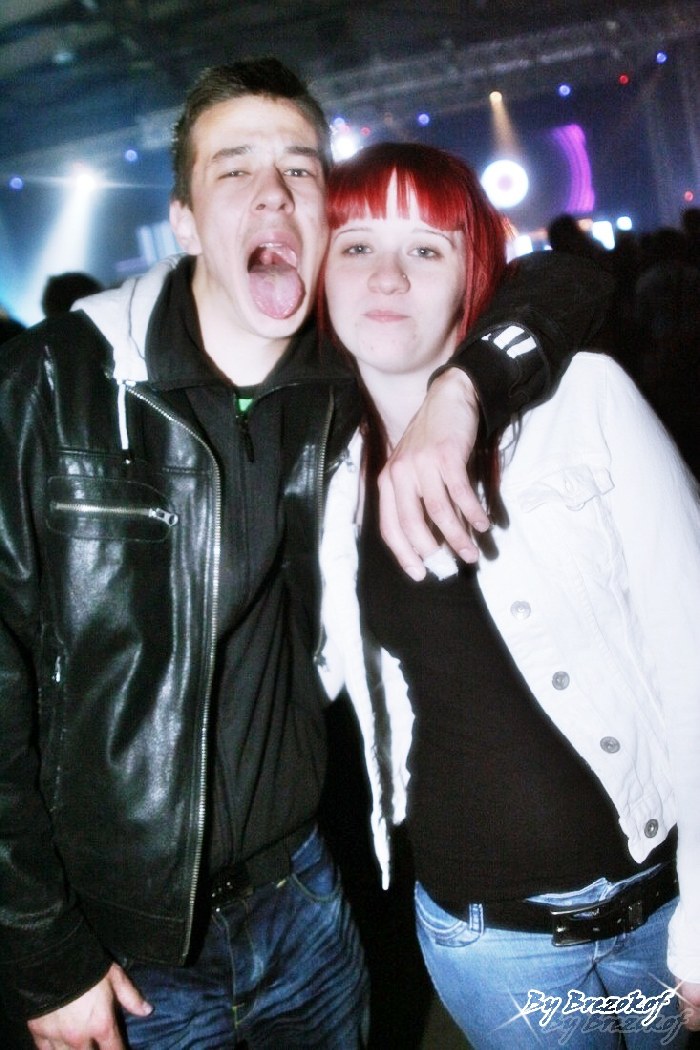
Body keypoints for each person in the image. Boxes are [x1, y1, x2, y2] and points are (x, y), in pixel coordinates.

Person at [0, 59, 611, 1050]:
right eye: (234, 168)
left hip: (306, 904)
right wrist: (42, 953)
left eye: (299, 167)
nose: (274, 192)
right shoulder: (56, 383)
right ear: (185, 220)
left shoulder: (342, 378)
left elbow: (567, 275)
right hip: (124, 949)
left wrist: (463, 391)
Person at [318, 142, 700, 1049]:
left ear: (471, 274)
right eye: (357, 246)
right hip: (486, 944)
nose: (387, 276)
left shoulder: (584, 402)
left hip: (658, 909)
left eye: (426, 248)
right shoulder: (320, 474)